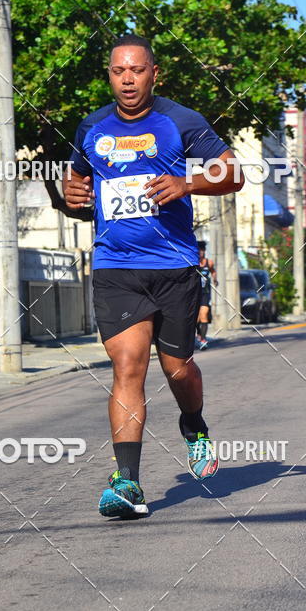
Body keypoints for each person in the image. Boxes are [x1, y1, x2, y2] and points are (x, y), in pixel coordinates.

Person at [63, 34, 244, 518]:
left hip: (174, 267)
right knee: (128, 368)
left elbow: (233, 173)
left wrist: (188, 182)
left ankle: (194, 425)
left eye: (137, 70)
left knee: (177, 368)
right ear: (110, 75)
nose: (127, 79)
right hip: (116, 267)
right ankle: (127, 483)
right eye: (118, 71)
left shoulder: (181, 121)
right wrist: (72, 196)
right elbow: (80, 188)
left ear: (153, 73)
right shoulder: (91, 127)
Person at [196, 241, 217, 350]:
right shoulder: (193, 263)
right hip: (194, 294)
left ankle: (203, 339)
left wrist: (215, 279)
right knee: (196, 318)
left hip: (205, 293)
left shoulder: (209, 262)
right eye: (199, 250)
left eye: (202, 250)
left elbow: (213, 271)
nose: (201, 252)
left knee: (204, 314)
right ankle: (198, 335)